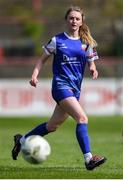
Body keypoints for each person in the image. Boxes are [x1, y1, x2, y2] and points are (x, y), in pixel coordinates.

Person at [12, 6, 107, 170]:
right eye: (71, 18)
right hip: (61, 86)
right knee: (82, 118)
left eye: (77, 18)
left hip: (75, 89)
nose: (74, 21)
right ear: (66, 20)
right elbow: (42, 60)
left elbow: (91, 60)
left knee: (52, 126)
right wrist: (35, 75)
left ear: (82, 21)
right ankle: (89, 159)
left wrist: (93, 68)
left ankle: (21, 141)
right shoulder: (57, 40)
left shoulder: (86, 42)